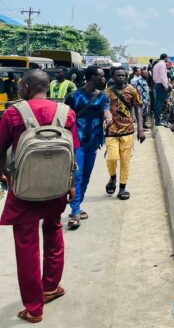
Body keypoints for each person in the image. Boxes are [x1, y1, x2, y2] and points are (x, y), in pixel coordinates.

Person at [0, 70, 79, 324]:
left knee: (26, 245)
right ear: (47, 87)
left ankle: (34, 308)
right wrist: (71, 184)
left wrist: (3, 174)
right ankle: (50, 286)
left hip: (23, 188)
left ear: (24, 87)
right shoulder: (66, 113)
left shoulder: (13, 113)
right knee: (54, 231)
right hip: (56, 185)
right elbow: (73, 151)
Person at [65, 65, 111, 230]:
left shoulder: (102, 97)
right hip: (76, 143)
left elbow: (106, 111)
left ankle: (77, 205)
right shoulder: (74, 97)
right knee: (77, 176)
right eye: (101, 76)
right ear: (92, 77)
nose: (104, 79)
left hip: (92, 142)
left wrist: (109, 118)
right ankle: (75, 211)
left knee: (85, 176)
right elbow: (65, 117)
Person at [105, 67, 144, 201]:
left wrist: (140, 129)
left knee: (125, 161)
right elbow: (103, 110)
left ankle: (122, 187)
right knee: (112, 157)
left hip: (127, 130)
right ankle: (112, 177)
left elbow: (138, 109)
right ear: (113, 77)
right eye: (118, 75)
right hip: (111, 130)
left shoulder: (132, 90)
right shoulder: (107, 92)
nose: (121, 77)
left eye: (123, 75)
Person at [152, 53, 169, 127]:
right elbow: (163, 76)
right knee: (160, 103)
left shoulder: (156, 65)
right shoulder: (162, 64)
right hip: (161, 85)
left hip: (157, 84)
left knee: (157, 103)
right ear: (166, 58)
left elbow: (154, 76)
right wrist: (166, 86)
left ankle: (157, 120)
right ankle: (158, 121)